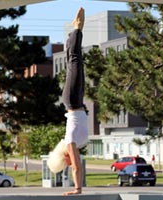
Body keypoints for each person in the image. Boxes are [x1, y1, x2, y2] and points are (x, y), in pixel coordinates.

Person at [61, 7, 88, 196]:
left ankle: (77, 30)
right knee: (76, 63)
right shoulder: (76, 143)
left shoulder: (71, 141)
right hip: (76, 101)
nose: (71, 162)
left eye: (67, 161)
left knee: (74, 63)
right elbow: (77, 167)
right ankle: (75, 31)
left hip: (71, 101)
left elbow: (76, 168)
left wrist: (77, 189)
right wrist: (77, 189)